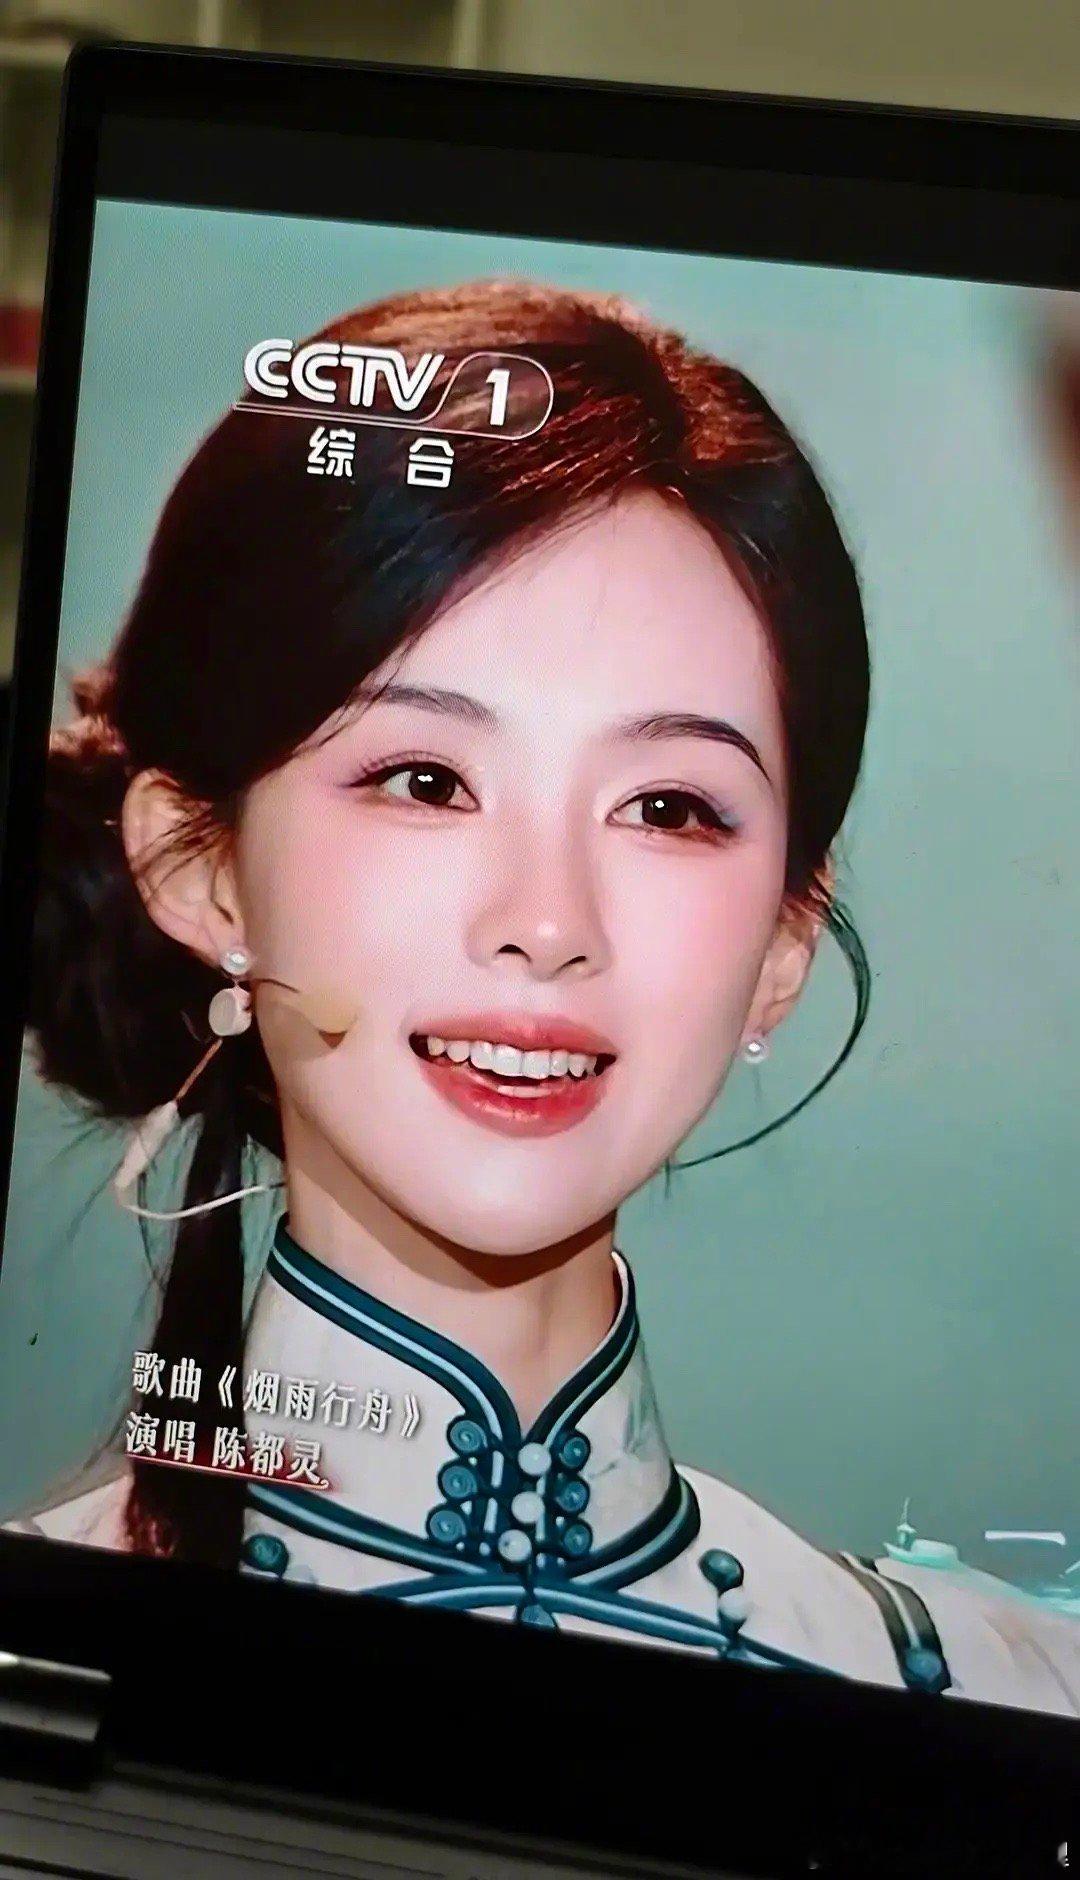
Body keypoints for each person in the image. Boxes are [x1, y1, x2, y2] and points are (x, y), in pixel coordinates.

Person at [7, 280, 1079, 1716]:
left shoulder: (993, 1696)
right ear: (200, 870)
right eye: (425, 780)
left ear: (783, 945)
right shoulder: (34, 1654)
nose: (548, 925)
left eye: (669, 808)